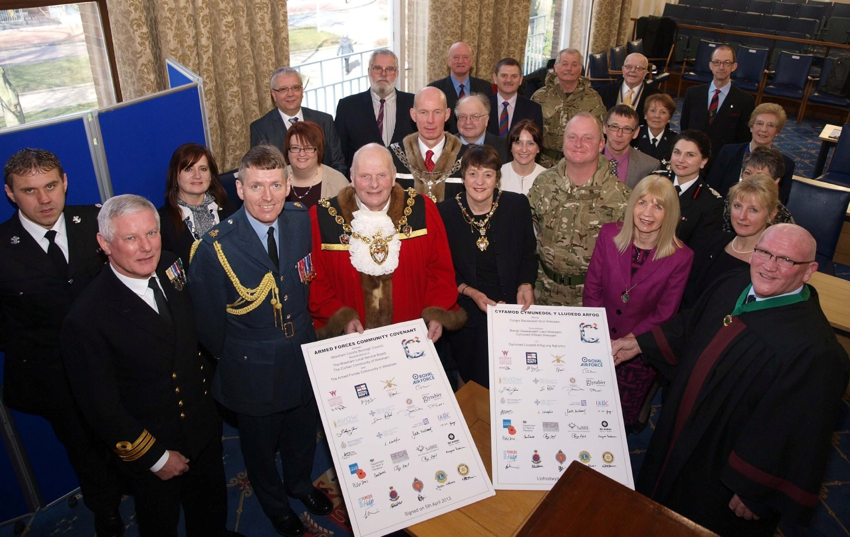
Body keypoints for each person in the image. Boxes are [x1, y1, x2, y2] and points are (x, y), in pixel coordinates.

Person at [612, 224, 849, 537]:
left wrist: (755, 490)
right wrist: (641, 343)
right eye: (764, 252)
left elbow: (799, 432)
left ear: (809, 271)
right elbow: (689, 326)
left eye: (786, 260)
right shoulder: (732, 284)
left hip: (720, 471)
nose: (769, 265)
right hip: (679, 429)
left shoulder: (816, 352)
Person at [60, 195, 234, 537]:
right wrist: (155, 457)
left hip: (200, 427)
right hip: (154, 447)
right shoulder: (86, 318)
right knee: (160, 522)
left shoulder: (171, 266)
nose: (146, 247)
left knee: (211, 507)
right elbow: (102, 408)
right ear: (104, 244)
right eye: (130, 238)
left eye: (152, 233)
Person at [189, 145, 331, 537]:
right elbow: (208, 325)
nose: (267, 196)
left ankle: (300, 484)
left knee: (304, 431)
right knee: (260, 448)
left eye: (274, 185)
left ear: (288, 186)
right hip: (251, 365)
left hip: (301, 353)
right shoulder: (215, 246)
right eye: (256, 186)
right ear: (239, 188)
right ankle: (275, 507)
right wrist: (240, 356)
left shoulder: (302, 222)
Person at [0, 148, 124, 537]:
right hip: (52, 377)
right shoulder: (2, 247)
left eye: (51, 185)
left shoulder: (97, 220)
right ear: (10, 194)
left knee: (127, 433)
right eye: (29, 190)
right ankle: (106, 511)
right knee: (83, 450)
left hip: (114, 363)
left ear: (65, 182)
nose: (44, 199)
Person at [308, 143, 466, 341]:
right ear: (352, 177)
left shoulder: (423, 210)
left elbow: (440, 271)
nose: (374, 184)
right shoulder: (322, 218)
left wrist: (437, 314)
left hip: (412, 338)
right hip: (350, 343)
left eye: (381, 175)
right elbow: (316, 283)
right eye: (365, 176)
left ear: (393, 176)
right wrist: (341, 318)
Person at [583, 175, 693, 431]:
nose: (647, 213)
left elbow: (665, 312)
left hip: (638, 353)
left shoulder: (681, 256)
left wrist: (629, 341)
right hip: (597, 342)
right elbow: (593, 289)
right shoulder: (609, 234)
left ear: (670, 213)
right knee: (587, 408)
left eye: (658, 206)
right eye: (642, 203)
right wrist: (598, 336)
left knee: (620, 419)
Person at [437, 145, 537, 387]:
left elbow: (528, 252)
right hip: (467, 308)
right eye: (473, 174)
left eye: (488, 174)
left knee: (511, 375)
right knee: (469, 375)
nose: (479, 182)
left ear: (497, 179)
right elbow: (440, 267)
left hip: (510, 306)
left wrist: (526, 284)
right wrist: (469, 292)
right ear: (463, 178)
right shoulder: (445, 212)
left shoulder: (517, 205)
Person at [528, 112, 630, 307]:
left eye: (587, 138)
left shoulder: (619, 196)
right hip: (541, 293)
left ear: (601, 144)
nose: (578, 144)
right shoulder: (544, 183)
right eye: (572, 137)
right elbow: (526, 235)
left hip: (590, 299)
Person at [683, 173, 780, 309]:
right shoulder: (714, 240)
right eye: (737, 206)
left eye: (753, 210)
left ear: (771, 215)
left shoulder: (770, 264)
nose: (742, 216)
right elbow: (689, 294)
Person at [250, 67, 346, 175]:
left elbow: (338, 164)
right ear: (274, 95)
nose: (290, 94)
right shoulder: (260, 129)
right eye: (283, 89)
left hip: (325, 188)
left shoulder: (324, 121)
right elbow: (261, 173)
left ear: (302, 91)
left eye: (295, 88)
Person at [334, 49, 416, 174]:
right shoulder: (347, 107)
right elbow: (340, 157)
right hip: (364, 187)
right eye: (378, 68)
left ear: (397, 73)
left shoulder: (414, 103)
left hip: (407, 188)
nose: (383, 74)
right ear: (369, 71)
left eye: (389, 69)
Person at [159, 143, 237, 266]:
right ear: (175, 176)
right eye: (188, 169)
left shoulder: (229, 208)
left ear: (211, 176)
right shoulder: (162, 223)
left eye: (203, 169)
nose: (197, 175)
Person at [707, 103, 795, 205]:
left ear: (777, 131)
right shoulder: (728, 152)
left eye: (770, 125)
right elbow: (711, 188)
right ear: (751, 126)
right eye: (759, 123)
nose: (763, 129)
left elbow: (779, 202)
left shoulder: (786, 164)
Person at [531, 48, 606, 168]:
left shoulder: (593, 99)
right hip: (544, 164)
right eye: (565, 64)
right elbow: (530, 131)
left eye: (574, 65)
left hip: (580, 163)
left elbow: (599, 133)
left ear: (580, 69)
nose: (569, 69)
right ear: (556, 67)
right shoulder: (540, 96)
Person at [680, 45, 755, 156]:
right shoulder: (693, 93)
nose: (721, 67)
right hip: (693, 155)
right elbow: (684, 127)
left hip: (724, 158)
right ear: (711, 65)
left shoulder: (745, 100)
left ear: (734, 66)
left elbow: (743, 137)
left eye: (727, 63)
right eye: (717, 62)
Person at [393, 86, 462, 202]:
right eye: (423, 112)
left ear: (447, 114)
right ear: (413, 115)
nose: (430, 120)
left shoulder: (467, 159)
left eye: (437, 112)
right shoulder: (393, 157)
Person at [663, 130, 723, 248]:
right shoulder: (654, 180)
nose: (681, 159)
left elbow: (700, 248)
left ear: (703, 161)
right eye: (677, 152)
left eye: (690, 155)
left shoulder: (711, 203)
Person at [428, 41, 493, 133]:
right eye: (456, 57)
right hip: (447, 145)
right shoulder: (434, 89)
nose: (460, 61)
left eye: (465, 57)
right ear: (448, 61)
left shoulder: (485, 87)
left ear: (471, 61)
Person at [283, 120, 349, 208]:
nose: (302, 154)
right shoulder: (276, 178)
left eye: (308, 148)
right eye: (295, 148)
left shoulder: (338, 183)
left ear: (319, 150)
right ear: (288, 150)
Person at [603, 104, 660, 189]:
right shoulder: (585, 158)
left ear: (636, 133)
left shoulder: (649, 166)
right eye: (614, 127)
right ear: (604, 128)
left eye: (627, 129)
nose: (619, 134)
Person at [597, 53, 661, 124]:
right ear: (623, 69)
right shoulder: (605, 91)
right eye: (629, 67)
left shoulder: (655, 96)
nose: (633, 70)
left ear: (645, 73)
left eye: (638, 68)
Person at [487, 57, 543, 137]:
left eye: (514, 76)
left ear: (520, 79)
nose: (509, 80)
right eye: (504, 75)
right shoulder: (482, 105)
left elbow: (536, 143)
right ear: (495, 78)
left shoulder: (534, 110)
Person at [455, 93, 510, 164]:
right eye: (462, 116)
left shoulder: (504, 147)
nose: (468, 122)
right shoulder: (445, 146)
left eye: (475, 116)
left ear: (486, 120)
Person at [500, 119, 546, 195]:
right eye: (518, 143)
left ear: (538, 148)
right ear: (511, 147)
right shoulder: (498, 175)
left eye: (530, 143)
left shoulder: (548, 178)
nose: (524, 149)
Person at [632, 93, 678, 166]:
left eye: (663, 112)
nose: (657, 116)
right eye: (653, 110)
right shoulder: (633, 135)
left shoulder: (676, 140)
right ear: (645, 115)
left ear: (669, 118)